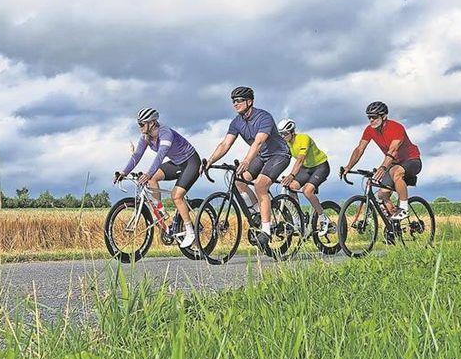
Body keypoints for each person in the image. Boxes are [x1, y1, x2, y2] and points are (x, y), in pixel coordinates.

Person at [200, 86, 291, 236]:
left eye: (239, 101)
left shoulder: (264, 117)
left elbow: (259, 142)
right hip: (261, 156)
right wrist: (210, 161)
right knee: (238, 181)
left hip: (279, 155)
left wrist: (247, 160)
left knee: (260, 185)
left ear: (249, 102)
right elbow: (225, 144)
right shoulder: (236, 122)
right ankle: (258, 210)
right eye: (233, 101)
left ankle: (266, 230)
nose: (235, 104)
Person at [115, 107, 202, 248]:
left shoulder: (165, 133)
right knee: (152, 179)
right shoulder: (146, 137)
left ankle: (190, 231)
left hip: (191, 162)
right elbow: (136, 156)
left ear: (152, 123)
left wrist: (148, 172)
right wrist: (123, 172)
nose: (140, 127)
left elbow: (160, 156)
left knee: (176, 195)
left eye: (142, 124)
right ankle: (160, 209)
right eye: (138, 124)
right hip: (176, 163)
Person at [339, 101, 422, 222]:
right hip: (393, 163)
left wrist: (383, 167)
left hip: (412, 160)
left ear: (384, 117)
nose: (371, 120)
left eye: (374, 117)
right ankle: (393, 223)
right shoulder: (369, 130)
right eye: (369, 117)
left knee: (395, 172)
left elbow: (393, 150)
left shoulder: (396, 128)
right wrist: (348, 166)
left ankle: (404, 208)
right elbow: (359, 149)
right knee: (382, 194)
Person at [276, 118, 333, 236]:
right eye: (281, 134)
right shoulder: (286, 144)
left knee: (307, 191)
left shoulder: (303, 138)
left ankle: (323, 217)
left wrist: (292, 175)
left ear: (292, 132)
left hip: (320, 166)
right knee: (291, 186)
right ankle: (298, 218)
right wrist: (284, 176)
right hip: (306, 169)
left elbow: (300, 159)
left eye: (285, 133)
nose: (283, 136)